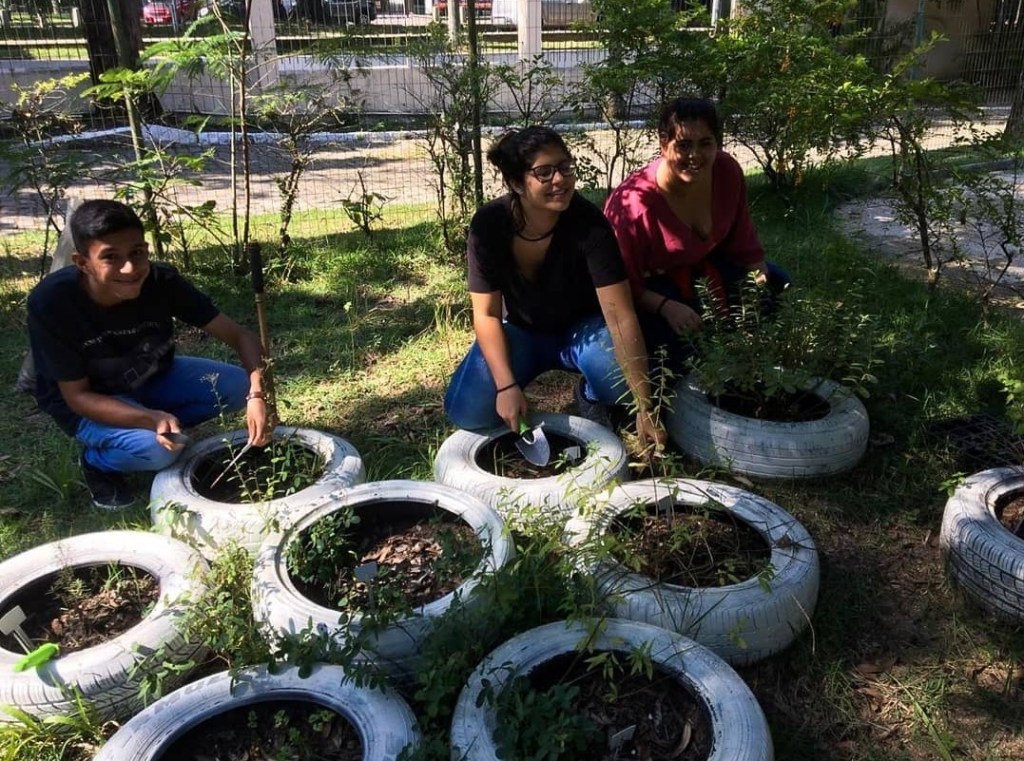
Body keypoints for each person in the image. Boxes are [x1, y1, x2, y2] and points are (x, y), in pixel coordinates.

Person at [27, 199, 272, 509]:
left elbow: (241, 336)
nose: (129, 268)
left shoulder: (161, 281)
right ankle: (97, 462)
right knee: (159, 453)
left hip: (151, 377)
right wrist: (148, 418)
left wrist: (257, 395)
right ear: (82, 262)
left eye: (137, 253)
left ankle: (162, 426)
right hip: (89, 402)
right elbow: (78, 397)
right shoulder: (53, 302)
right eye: (110, 257)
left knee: (239, 385)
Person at [443, 126, 665, 449]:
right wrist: (506, 386)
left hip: (583, 333)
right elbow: (487, 314)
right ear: (516, 183)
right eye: (544, 173)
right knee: (467, 412)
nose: (559, 179)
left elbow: (620, 316)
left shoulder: (590, 225)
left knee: (622, 389)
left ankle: (589, 394)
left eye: (564, 167)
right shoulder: (488, 227)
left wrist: (645, 406)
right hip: (522, 332)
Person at [604, 97, 790, 373]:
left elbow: (742, 238)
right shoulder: (632, 205)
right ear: (664, 144)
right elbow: (617, 287)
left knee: (777, 286)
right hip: (653, 288)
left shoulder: (727, 172)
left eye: (705, 143)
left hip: (708, 269)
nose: (695, 155)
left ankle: (757, 370)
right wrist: (666, 307)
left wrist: (758, 275)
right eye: (683, 145)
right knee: (681, 351)